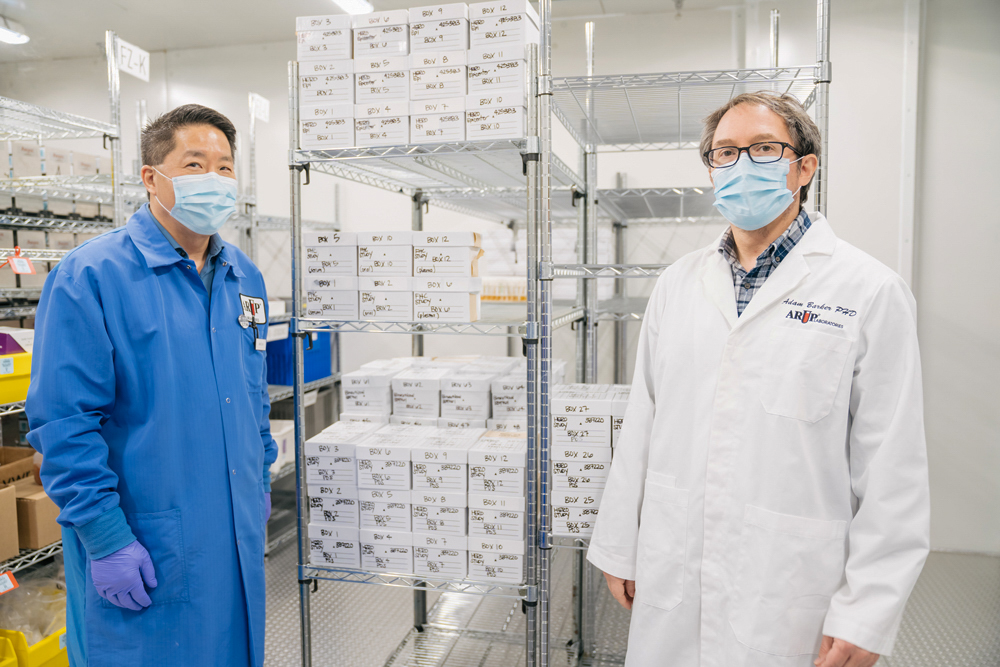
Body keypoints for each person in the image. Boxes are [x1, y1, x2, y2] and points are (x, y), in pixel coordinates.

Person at [588, 91, 930, 667]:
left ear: (803, 167)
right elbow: (642, 421)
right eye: (725, 152)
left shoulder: (869, 291)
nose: (741, 165)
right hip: (675, 561)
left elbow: (893, 468)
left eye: (764, 148)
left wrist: (867, 613)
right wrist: (621, 545)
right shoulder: (678, 283)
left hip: (788, 584)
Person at [26, 104, 276, 667]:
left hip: (232, 525)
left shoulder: (244, 276)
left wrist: (259, 475)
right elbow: (64, 424)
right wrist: (105, 535)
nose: (214, 179)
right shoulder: (92, 275)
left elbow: (253, 390)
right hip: (144, 533)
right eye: (194, 164)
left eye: (225, 167)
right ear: (151, 178)